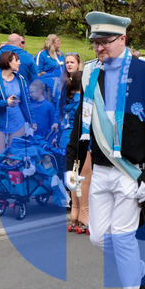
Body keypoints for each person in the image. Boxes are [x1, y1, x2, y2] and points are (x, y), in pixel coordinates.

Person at [64, 11, 145, 289]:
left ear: (123, 39)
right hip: (101, 169)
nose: (99, 48)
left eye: (105, 42)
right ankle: (140, 272)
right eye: (95, 42)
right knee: (98, 237)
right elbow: (81, 124)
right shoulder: (91, 75)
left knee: (123, 238)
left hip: (131, 171)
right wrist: (70, 166)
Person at [60, 53, 90, 234]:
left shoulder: (68, 101)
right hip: (79, 142)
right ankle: (84, 214)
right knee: (84, 179)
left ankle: (75, 213)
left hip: (67, 140)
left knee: (74, 179)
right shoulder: (82, 103)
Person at [0, 50, 35, 154]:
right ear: (8, 62)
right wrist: (5, 103)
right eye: (16, 60)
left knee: (15, 158)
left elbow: (26, 102)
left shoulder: (21, 79)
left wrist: (32, 121)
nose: (19, 63)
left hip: (18, 123)